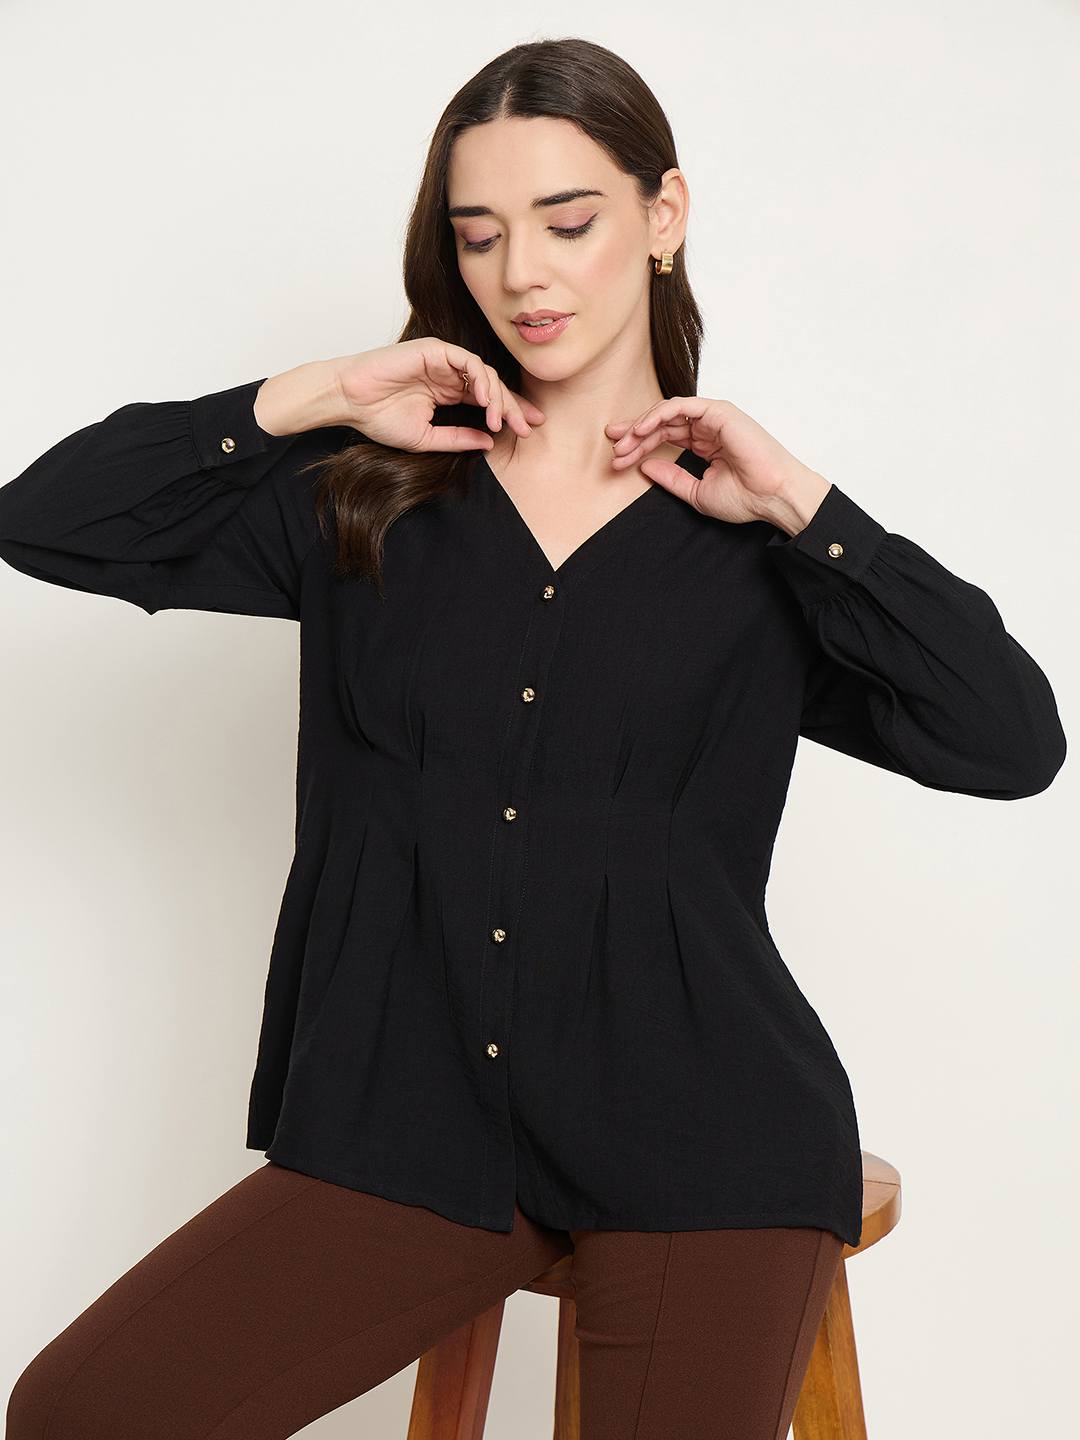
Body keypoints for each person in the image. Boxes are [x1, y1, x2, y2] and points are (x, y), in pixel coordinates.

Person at [2, 36, 1066, 1440]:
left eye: (569, 222)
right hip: (410, 1127)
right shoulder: (370, 497)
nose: (523, 274)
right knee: (83, 1412)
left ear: (662, 216)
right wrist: (316, 394)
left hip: (707, 1136)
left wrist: (807, 509)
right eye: (481, 234)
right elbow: (43, 521)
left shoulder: (756, 541)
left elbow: (1010, 740)